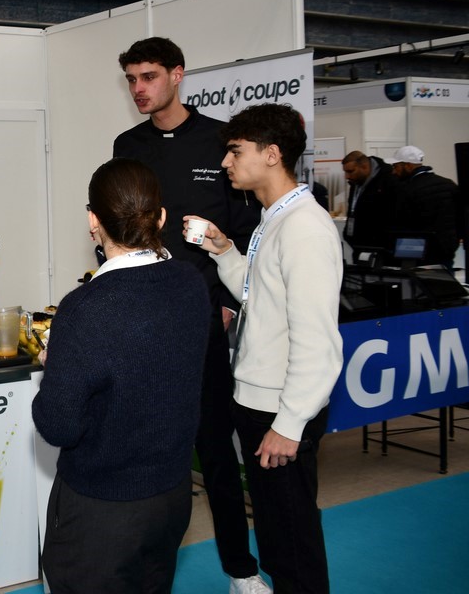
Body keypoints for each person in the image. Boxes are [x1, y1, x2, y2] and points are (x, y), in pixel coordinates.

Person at [112, 36, 266, 594]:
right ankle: (136, 570)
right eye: (131, 79)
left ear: (177, 75)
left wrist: (226, 302)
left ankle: (240, 570)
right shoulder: (127, 144)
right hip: (144, 318)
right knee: (146, 447)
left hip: (203, 317)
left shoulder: (219, 142)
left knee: (215, 448)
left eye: (149, 76)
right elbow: (118, 227)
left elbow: (245, 234)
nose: (139, 88)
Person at [186, 103, 343, 594]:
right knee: (277, 538)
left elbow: (318, 342)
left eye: (235, 151)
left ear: (272, 154)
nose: (226, 162)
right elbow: (259, 297)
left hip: (279, 410)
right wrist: (224, 251)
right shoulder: (273, 219)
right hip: (260, 403)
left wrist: (289, 424)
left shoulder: (304, 228)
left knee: (292, 545)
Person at [33, 158, 209, 593]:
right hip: (171, 495)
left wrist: (57, 370)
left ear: (93, 221)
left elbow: (58, 425)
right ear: (161, 217)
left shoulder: (86, 308)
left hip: (103, 506)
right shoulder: (190, 282)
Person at [386, 145, 462, 268]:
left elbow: (402, 222)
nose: (394, 171)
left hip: (417, 252)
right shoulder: (448, 184)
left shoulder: (406, 189)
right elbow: (460, 216)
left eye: (396, 166)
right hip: (446, 250)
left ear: (408, 165)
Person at [340, 150, 399, 261]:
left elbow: (393, 215)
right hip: (359, 247)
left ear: (364, 166)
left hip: (381, 249)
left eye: (350, 171)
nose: (347, 176)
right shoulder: (356, 182)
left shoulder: (389, 180)